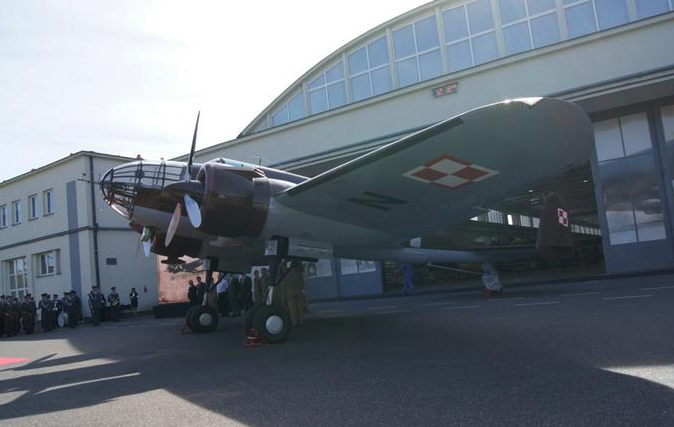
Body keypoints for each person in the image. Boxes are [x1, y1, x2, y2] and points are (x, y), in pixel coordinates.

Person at [283, 260, 306, 326]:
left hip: (290, 291)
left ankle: (294, 322)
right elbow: (302, 282)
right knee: (300, 307)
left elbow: (285, 282)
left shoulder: (287, 273)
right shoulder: (299, 272)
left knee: (292, 307)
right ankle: (301, 321)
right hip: (299, 291)